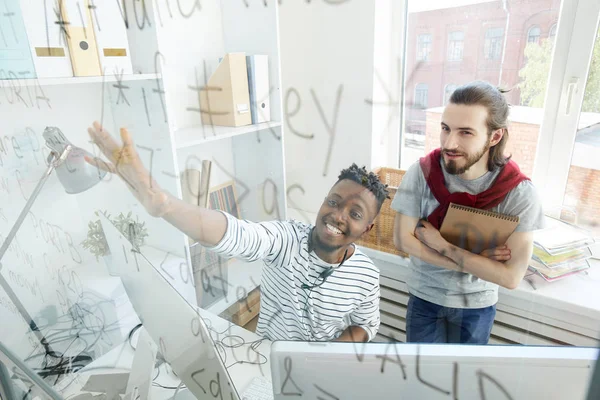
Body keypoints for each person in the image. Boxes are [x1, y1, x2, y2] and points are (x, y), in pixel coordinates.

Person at [85, 121, 389, 342]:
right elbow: (234, 234)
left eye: (355, 213)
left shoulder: (366, 275)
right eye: (333, 201)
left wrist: (332, 355)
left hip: (324, 377)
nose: (337, 215)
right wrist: (165, 205)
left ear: (368, 228)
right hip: (270, 364)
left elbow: (365, 325)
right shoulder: (284, 240)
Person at [392, 81, 545, 344]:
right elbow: (402, 240)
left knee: (464, 383)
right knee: (422, 381)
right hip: (424, 297)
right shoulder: (422, 172)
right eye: (445, 129)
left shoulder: (519, 193)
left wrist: (443, 246)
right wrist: (476, 261)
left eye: (465, 132)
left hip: (476, 306)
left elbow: (510, 277)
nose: (449, 143)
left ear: (494, 137)